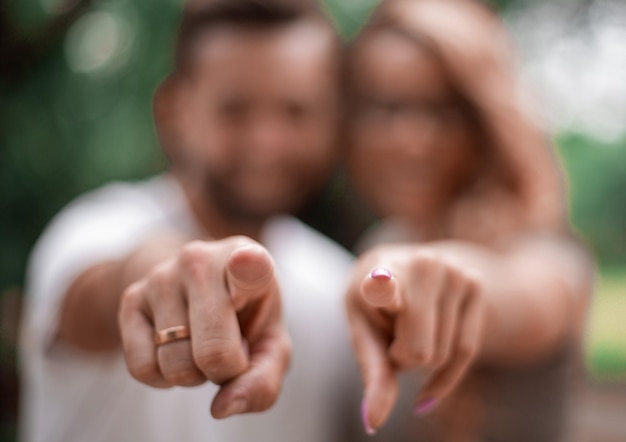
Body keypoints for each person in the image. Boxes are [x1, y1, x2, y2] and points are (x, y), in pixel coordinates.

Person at [18, 1, 361, 441]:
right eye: (234, 109)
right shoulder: (93, 229)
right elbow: (106, 288)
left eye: (295, 111)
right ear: (174, 112)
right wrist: (163, 279)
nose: (266, 142)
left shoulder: (337, 287)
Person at [342, 0, 592, 440]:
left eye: (441, 109)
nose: (410, 139)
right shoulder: (381, 239)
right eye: (385, 107)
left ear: (484, 123)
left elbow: (520, 299)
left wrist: (421, 276)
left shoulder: (543, 251)